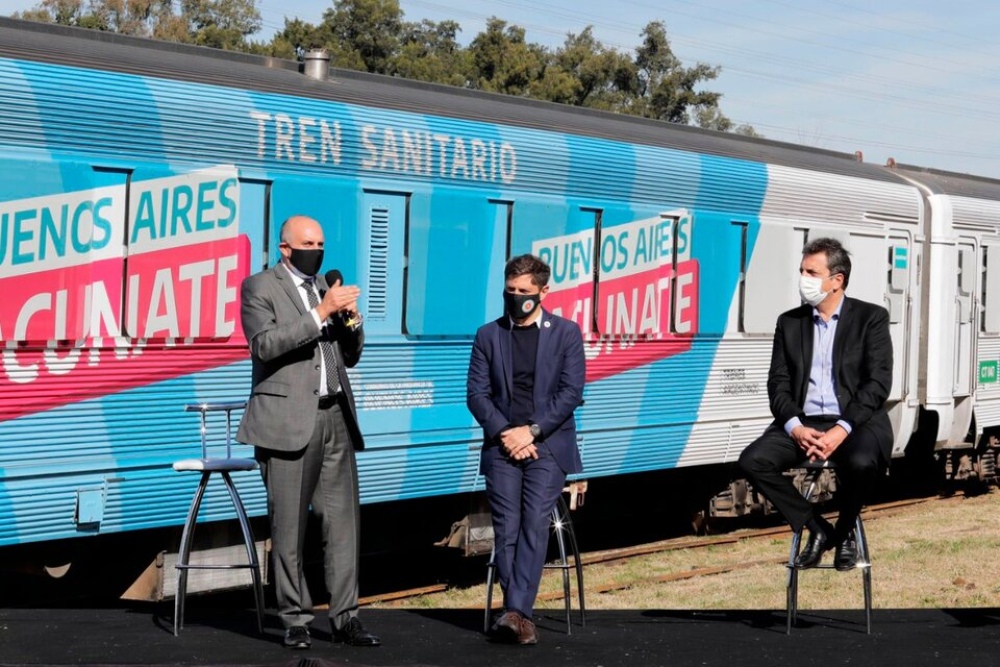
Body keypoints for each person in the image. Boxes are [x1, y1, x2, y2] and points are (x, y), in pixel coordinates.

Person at [236, 215, 380, 649]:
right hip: (287, 422)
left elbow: (350, 356)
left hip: (335, 415)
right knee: (289, 528)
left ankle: (346, 619)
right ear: (285, 248)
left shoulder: (326, 288)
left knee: (342, 527)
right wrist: (322, 313)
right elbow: (265, 345)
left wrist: (351, 321)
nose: (316, 250)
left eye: (320, 242)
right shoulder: (259, 287)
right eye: (307, 243)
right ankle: (295, 620)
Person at [739, 237, 893, 571]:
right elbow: (777, 384)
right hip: (805, 423)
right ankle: (818, 528)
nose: (803, 279)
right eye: (802, 271)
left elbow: (877, 384)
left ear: (836, 280)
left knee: (863, 463)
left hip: (856, 423)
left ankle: (845, 530)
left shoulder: (872, 318)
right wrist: (795, 427)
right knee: (753, 460)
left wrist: (842, 428)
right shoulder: (790, 322)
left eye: (812, 272)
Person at [466, 254, 586, 645]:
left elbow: (570, 394)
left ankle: (515, 612)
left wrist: (530, 432)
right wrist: (507, 433)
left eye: (524, 292)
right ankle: (519, 616)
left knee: (534, 520)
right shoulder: (488, 335)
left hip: (548, 446)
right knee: (506, 525)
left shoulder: (566, 333)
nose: (515, 298)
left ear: (543, 291)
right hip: (503, 446)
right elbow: (476, 395)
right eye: (510, 291)